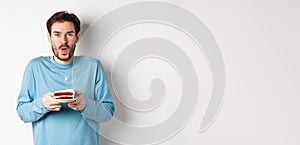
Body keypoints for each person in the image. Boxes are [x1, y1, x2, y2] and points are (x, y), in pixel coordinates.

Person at [16, 10, 115, 145]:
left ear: (77, 37)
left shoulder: (94, 66)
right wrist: (42, 104)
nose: (63, 41)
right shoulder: (35, 67)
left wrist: (86, 105)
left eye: (69, 34)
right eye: (57, 35)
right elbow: (22, 112)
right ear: (49, 37)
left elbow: (108, 112)